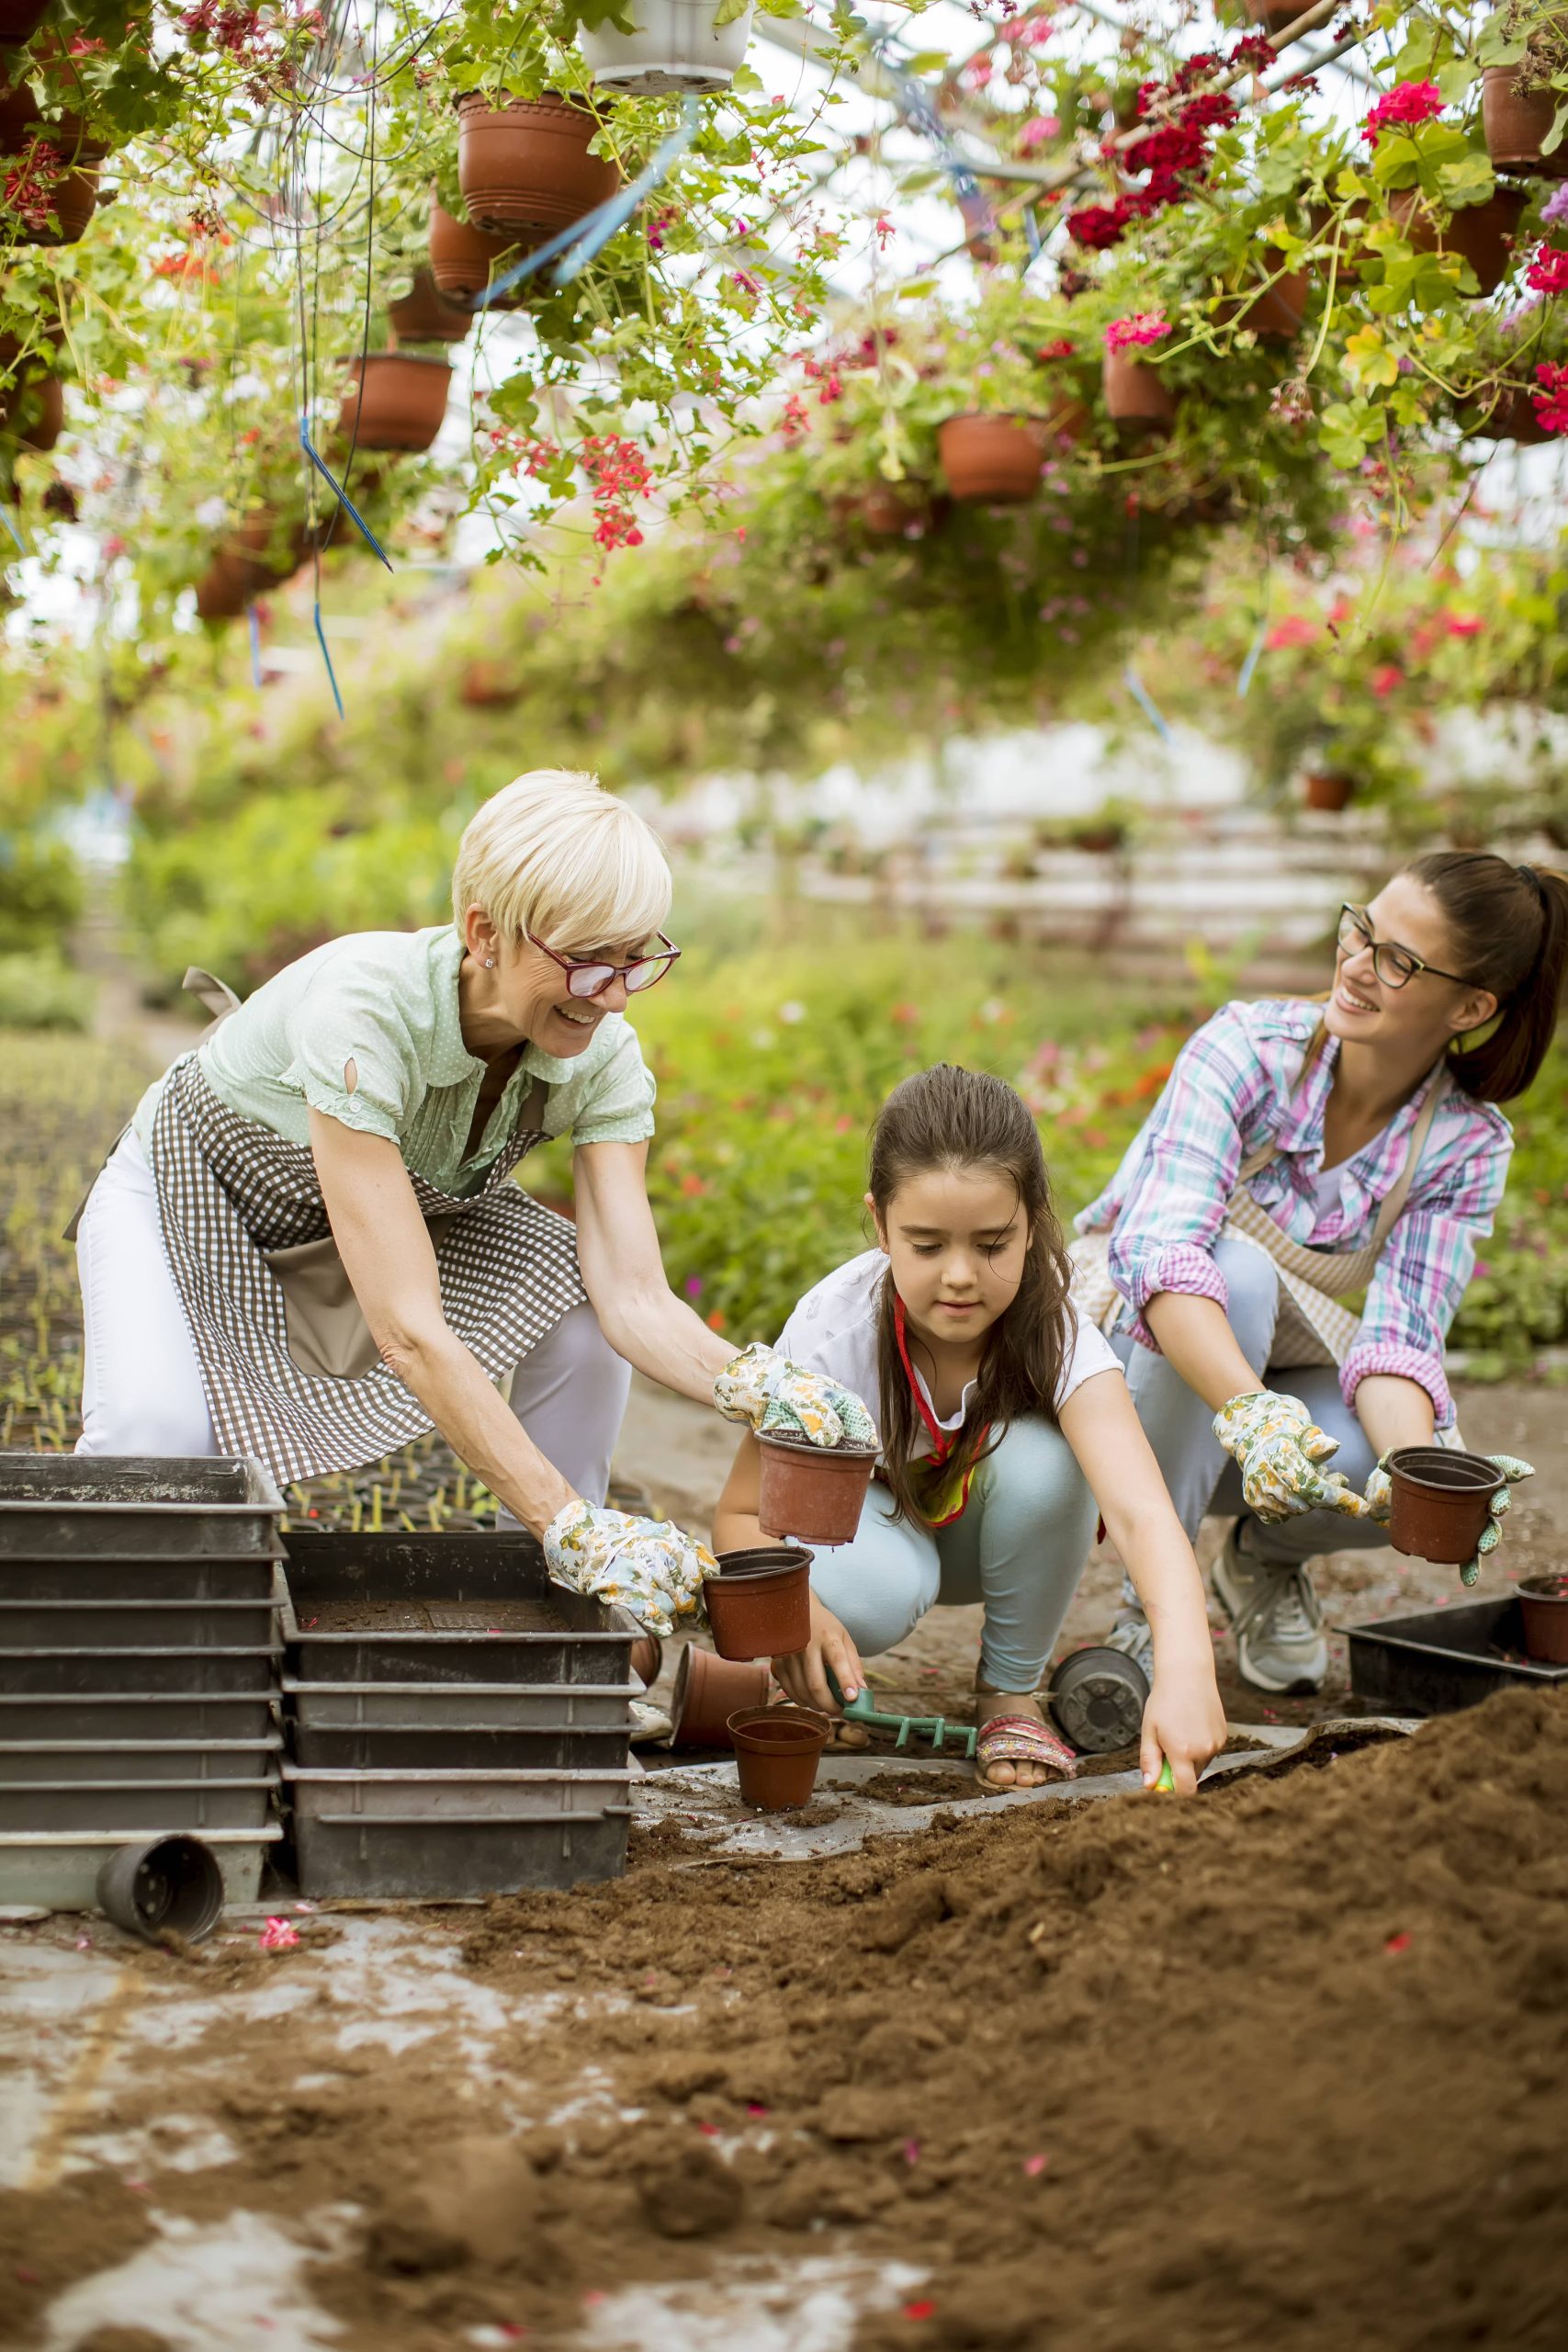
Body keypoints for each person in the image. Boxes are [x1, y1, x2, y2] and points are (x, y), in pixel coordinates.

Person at [73, 770, 873, 1632]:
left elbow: (633, 1294)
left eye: (637, 957)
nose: (611, 993)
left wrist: (756, 1383)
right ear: (484, 933)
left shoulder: (599, 1056)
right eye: (586, 959)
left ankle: (554, 1608)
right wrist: (562, 1518)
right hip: (193, 1198)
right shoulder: (365, 1013)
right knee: (150, 1440)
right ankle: (102, 1662)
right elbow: (408, 1329)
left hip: (368, 1229)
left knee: (578, 1303)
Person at [1074, 852, 1565, 1696]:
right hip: (1126, 1349)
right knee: (1241, 1274)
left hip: (1258, 1368)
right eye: (1360, 930)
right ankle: (1151, 1610)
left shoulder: (1463, 1144)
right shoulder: (1245, 1051)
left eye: (1397, 961)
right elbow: (1162, 1259)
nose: (1354, 965)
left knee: (1424, 1458)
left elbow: (1398, 1341)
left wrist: (1427, 1483)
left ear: (1470, 1007)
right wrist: (1253, 1413)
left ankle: (1260, 1558)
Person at [711, 1064, 1227, 1795]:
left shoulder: (1056, 1334)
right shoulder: (833, 1332)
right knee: (873, 1590)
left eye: (991, 1245)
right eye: (926, 1245)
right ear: (880, 1224)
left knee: (1054, 1462)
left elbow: (1142, 1513)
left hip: (987, 1542)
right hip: (869, 1545)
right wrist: (797, 1615)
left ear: (1032, 1223)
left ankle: (1008, 1696)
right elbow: (737, 1517)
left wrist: (1185, 1671)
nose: (959, 1276)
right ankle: (830, 1672)